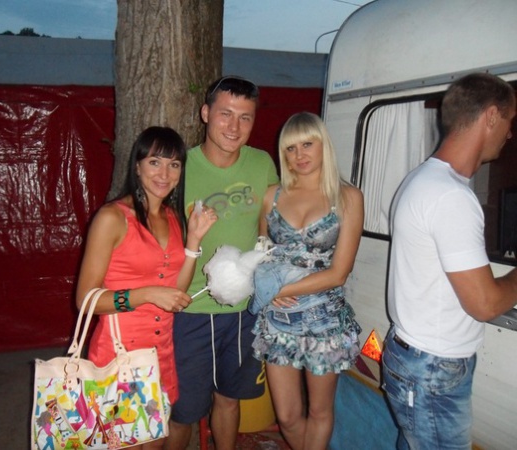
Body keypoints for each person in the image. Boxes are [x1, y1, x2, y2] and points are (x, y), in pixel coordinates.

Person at [382, 72, 517, 450]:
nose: (510, 133)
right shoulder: (450, 196)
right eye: (510, 121)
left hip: (417, 359)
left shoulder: (422, 178)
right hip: (432, 369)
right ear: (491, 116)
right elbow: (484, 304)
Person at [74, 126, 217, 450]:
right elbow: (85, 299)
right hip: (118, 355)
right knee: (123, 444)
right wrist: (146, 294)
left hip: (161, 354)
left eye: (174, 164)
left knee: (154, 442)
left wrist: (194, 241)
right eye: (155, 162)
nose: (164, 174)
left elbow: (176, 294)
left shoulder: (172, 217)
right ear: (137, 166)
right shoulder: (112, 217)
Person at [165, 76, 279, 450]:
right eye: (225, 114)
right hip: (190, 309)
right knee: (183, 412)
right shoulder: (181, 168)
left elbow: (273, 225)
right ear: (205, 113)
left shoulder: (261, 163)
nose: (234, 126)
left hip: (244, 310)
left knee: (229, 400)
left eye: (245, 117)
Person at [249, 112, 364, 450]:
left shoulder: (347, 197)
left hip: (323, 319)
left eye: (307, 145)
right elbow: (261, 254)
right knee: (286, 416)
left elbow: (339, 273)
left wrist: (278, 290)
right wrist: (264, 284)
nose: (299, 155)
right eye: (290, 148)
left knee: (319, 410)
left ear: (323, 145)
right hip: (278, 320)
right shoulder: (272, 195)